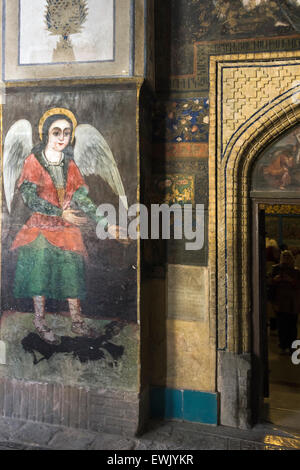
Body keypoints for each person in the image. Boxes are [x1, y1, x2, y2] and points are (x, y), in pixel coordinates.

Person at [10, 109, 126, 345]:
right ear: (46, 134)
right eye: (56, 132)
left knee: (72, 274)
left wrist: (107, 225)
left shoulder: (69, 164)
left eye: (66, 133)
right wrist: (59, 212)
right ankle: (40, 323)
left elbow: (83, 200)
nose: (62, 137)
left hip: (66, 228)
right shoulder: (33, 161)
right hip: (41, 228)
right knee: (39, 274)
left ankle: (77, 322)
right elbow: (30, 199)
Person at [270, 250, 300, 354]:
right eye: (284, 256)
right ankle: (283, 346)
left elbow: (298, 285)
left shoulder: (296, 271)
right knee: (282, 326)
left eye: (288, 256)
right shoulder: (276, 269)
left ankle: (292, 347)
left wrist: (291, 280)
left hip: (292, 302)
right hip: (280, 301)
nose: (286, 258)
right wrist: (275, 280)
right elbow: (270, 284)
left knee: (292, 326)